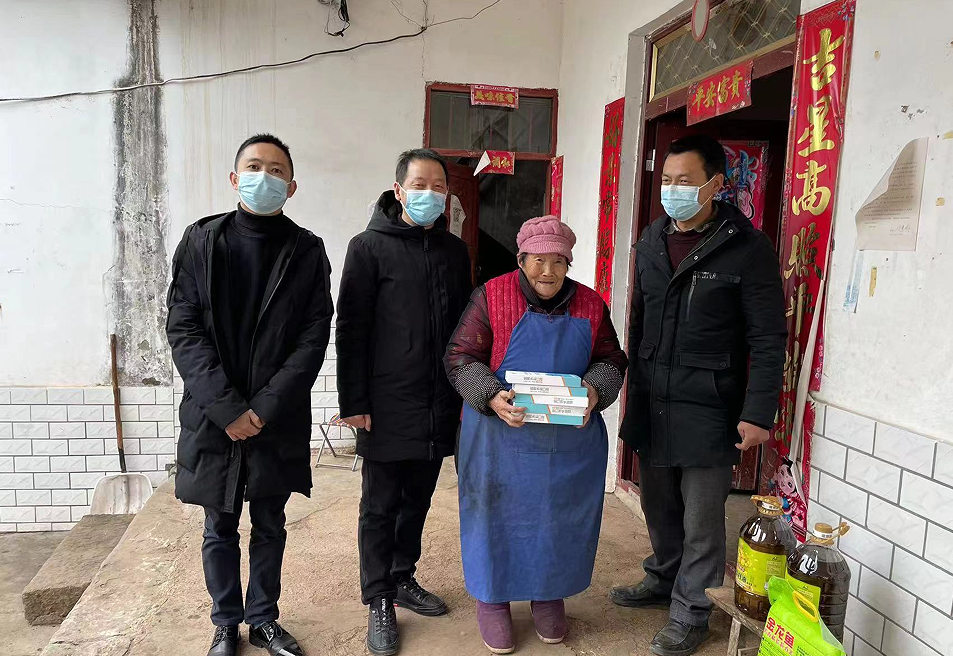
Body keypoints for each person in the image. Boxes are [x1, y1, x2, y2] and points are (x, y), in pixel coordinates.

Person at [612, 135, 786, 656]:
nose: (673, 190)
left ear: (715, 184)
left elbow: (767, 337)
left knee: (702, 519)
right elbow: (639, 320)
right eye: (667, 180)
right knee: (658, 504)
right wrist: (629, 384)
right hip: (653, 397)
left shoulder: (746, 248)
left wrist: (758, 412)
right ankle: (664, 577)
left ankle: (692, 610)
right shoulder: (651, 240)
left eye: (684, 181)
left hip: (711, 402)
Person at [167, 134, 333, 656]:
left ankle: (263, 619)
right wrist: (228, 409)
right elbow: (183, 328)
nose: (265, 177)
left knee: (270, 523)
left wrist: (263, 408)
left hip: (275, 416)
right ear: (235, 179)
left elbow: (313, 336)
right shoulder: (201, 241)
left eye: (276, 170)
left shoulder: (306, 250)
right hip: (213, 415)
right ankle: (225, 623)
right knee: (219, 524)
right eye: (255, 167)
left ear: (292, 185)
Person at [445, 216, 628, 654]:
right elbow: (460, 356)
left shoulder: (590, 303)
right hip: (498, 440)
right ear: (521, 259)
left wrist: (595, 391)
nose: (548, 271)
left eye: (558, 262)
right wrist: (490, 395)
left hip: (567, 445)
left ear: (569, 264)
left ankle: (549, 594)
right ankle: (493, 599)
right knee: (495, 519)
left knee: (557, 520)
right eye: (538, 260)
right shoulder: (491, 296)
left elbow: (611, 359)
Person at [336, 148, 472, 656]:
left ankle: (402, 576)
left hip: (439, 399)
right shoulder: (368, 247)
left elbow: (466, 328)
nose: (429, 194)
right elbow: (350, 329)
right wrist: (354, 400)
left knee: (419, 497)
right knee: (379, 505)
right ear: (398, 190)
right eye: (420, 185)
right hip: (386, 400)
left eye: (438, 186)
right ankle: (378, 597)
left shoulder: (454, 251)